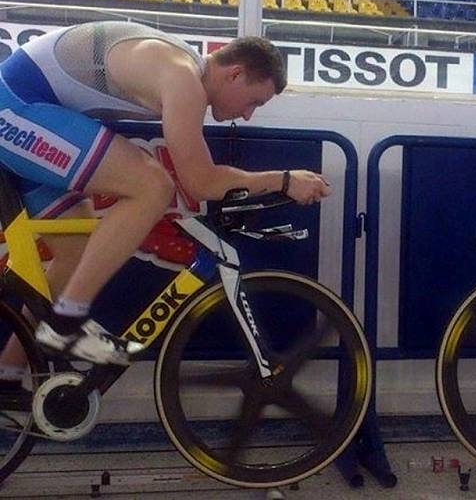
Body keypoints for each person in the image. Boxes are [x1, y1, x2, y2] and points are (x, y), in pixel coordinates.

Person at [0, 21, 331, 372]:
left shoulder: (184, 70)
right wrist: (283, 180)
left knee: (76, 253)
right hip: (17, 106)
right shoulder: (182, 77)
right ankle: (66, 323)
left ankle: (8, 372)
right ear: (235, 74)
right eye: (254, 101)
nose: (248, 114)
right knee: (152, 186)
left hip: (30, 108)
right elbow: (200, 183)